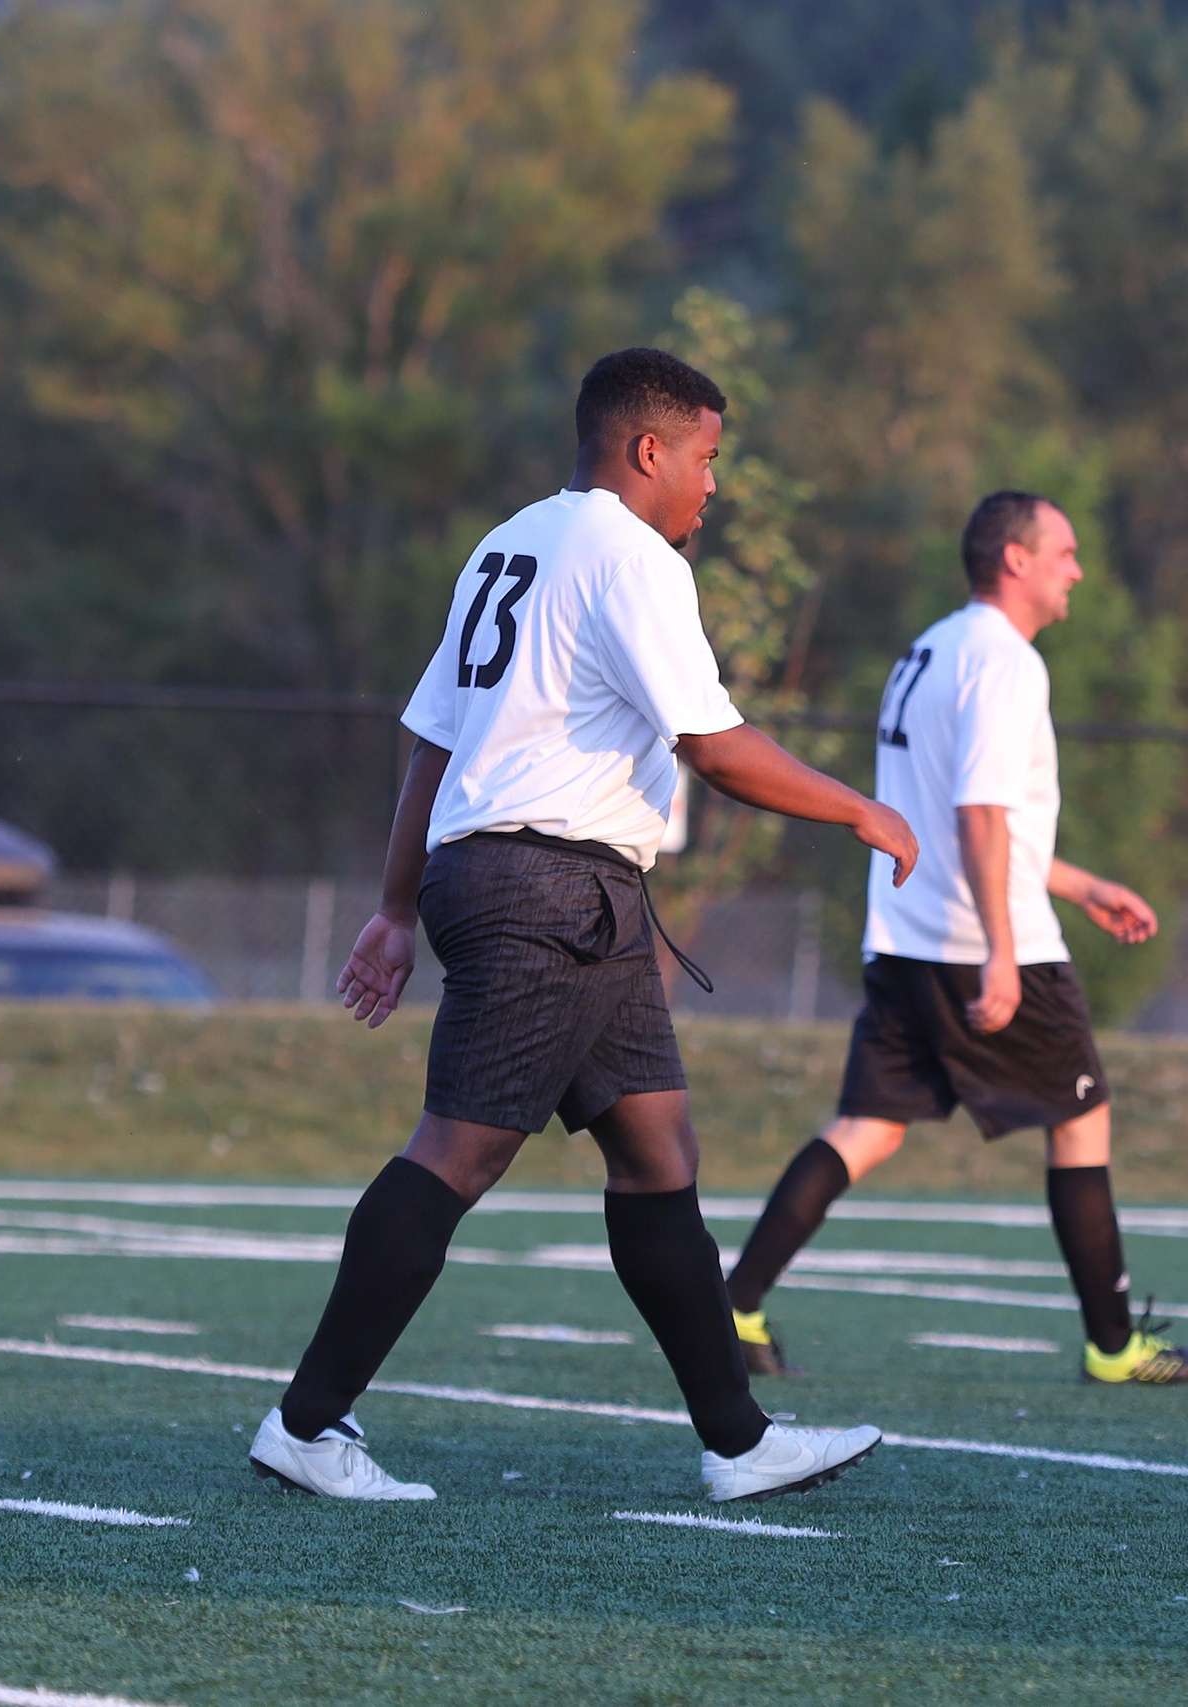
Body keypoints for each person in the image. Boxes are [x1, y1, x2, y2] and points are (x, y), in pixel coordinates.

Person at [248, 348, 919, 1504]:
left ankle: (738, 1441)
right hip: (546, 890)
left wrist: (400, 905)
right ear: (647, 449)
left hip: (544, 887)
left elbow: (435, 745)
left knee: (657, 1151)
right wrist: (859, 807)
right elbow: (713, 746)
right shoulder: (630, 558)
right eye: (707, 459)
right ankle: (308, 1424)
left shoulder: (509, 540)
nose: (713, 486)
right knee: (456, 1154)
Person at [724, 491, 1188, 1386]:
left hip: (907, 931)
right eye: (1064, 551)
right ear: (1015, 559)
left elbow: (967, 819)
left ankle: (739, 1299)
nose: (1077, 568)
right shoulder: (1004, 661)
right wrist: (1003, 944)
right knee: (1081, 1120)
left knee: (869, 1127)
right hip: (979, 939)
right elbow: (980, 813)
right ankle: (1114, 1347)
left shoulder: (932, 648)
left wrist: (1079, 883)